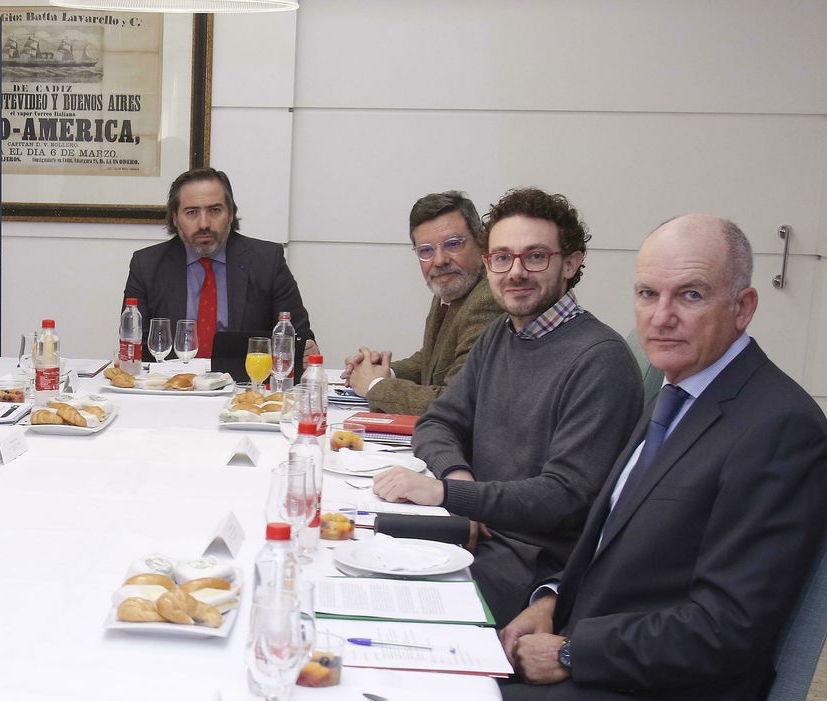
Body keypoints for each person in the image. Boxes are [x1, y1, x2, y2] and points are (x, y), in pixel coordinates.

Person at [500, 215, 827, 701]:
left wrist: (572, 652)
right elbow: (612, 547)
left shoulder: (779, 429)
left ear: (744, 305)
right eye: (648, 294)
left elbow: (725, 629)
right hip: (606, 675)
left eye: (691, 295)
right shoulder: (675, 392)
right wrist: (548, 598)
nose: (662, 316)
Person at [371, 188, 641, 627]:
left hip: (528, 568)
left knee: (375, 610)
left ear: (570, 264)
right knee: (332, 554)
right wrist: (458, 481)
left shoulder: (599, 360)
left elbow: (562, 497)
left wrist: (448, 494)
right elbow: (439, 420)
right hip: (473, 534)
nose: (515, 272)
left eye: (535, 257)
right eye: (502, 257)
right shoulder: (502, 333)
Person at [122, 167, 317, 360]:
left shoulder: (267, 260)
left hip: (245, 385)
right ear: (175, 218)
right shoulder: (146, 265)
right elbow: (135, 347)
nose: (204, 223)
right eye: (191, 212)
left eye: (215, 210)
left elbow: (298, 337)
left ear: (231, 214)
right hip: (172, 385)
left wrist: (305, 350)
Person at [341, 191, 502, 415]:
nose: (439, 260)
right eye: (426, 250)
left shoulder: (488, 300)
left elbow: (454, 402)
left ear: (481, 242)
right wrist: (379, 371)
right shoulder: (452, 285)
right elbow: (432, 361)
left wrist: (375, 386)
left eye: (453, 244)